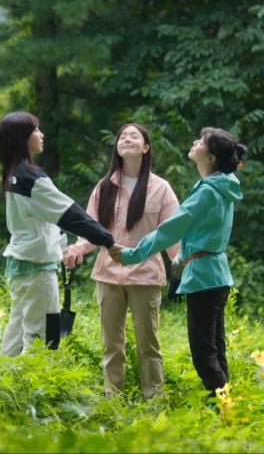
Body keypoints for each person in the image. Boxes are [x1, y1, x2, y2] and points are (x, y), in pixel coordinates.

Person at [113, 127, 247, 399]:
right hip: (216, 275)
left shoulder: (208, 192)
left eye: (201, 142)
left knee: (204, 353)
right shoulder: (224, 185)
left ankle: (225, 408)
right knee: (215, 348)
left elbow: (170, 229)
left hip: (203, 277)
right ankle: (226, 407)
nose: (195, 142)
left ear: (210, 157)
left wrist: (132, 254)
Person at [63, 123, 179, 399]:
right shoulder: (104, 187)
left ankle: (154, 400)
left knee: (148, 344)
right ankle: (112, 400)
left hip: (146, 275)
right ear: (116, 147)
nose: (127, 139)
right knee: (111, 344)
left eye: (133, 136)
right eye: (122, 136)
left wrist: (181, 264)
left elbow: (172, 233)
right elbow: (92, 229)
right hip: (109, 273)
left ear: (145, 148)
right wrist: (77, 249)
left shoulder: (160, 188)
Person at [0, 111, 118, 356]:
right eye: (35, 130)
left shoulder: (14, 174)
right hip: (36, 269)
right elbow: (69, 213)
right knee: (43, 337)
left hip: (22, 266)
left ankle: (3, 375)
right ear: (21, 137)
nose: (41, 135)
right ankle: (33, 381)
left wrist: (63, 249)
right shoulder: (31, 178)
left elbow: (48, 219)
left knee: (18, 331)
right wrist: (107, 240)